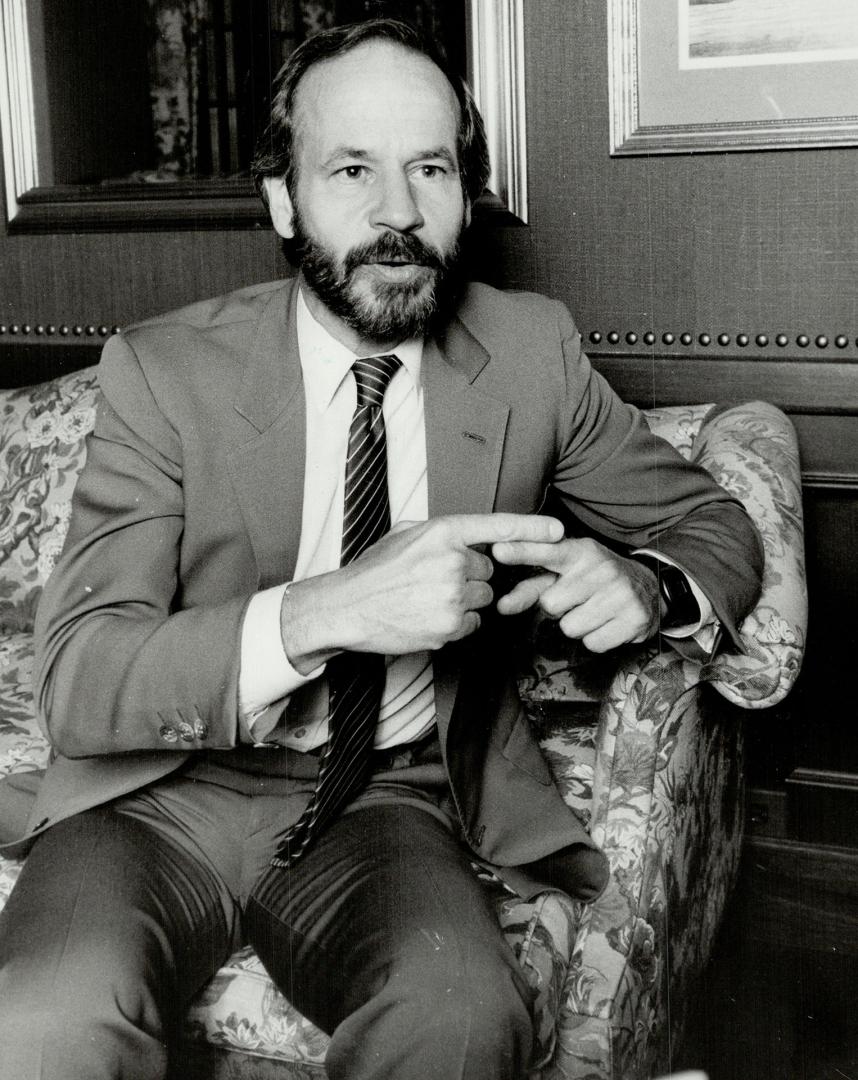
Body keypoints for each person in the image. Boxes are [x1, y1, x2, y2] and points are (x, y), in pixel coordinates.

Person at [0, 18, 763, 1080]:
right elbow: (80, 680)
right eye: (351, 169)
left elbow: (713, 523)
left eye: (430, 168)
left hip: (387, 800)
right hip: (156, 800)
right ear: (283, 199)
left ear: (465, 192)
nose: (397, 213)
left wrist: (645, 582)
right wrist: (331, 611)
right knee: (37, 1025)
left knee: (459, 1019)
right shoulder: (163, 372)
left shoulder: (531, 354)